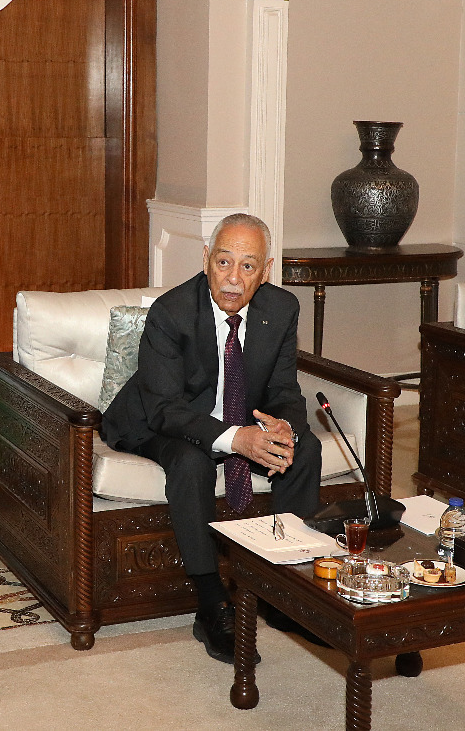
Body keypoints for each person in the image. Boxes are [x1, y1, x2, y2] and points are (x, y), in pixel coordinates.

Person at [102, 213, 320, 662]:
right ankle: (211, 602)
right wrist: (237, 439)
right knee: (191, 460)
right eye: (224, 262)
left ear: (265, 270)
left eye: (247, 265)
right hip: (158, 422)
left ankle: (286, 595)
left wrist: (284, 427)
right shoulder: (172, 312)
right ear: (206, 259)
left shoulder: (281, 310)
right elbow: (165, 409)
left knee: (305, 447)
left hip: (237, 419)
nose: (233, 278)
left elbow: (284, 390)